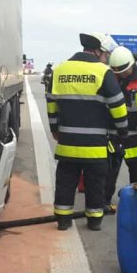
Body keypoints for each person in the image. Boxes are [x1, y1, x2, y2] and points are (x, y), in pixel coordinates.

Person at [46, 32, 127, 231]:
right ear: (98, 51)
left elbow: (51, 103)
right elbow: (118, 104)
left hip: (67, 144)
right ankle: (94, 220)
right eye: (104, 53)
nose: (105, 57)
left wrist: (55, 129)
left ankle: (64, 220)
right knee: (95, 184)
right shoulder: (103, 72)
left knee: (65, 182)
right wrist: (122, 130)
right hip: (95, 147)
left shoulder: (60, 69)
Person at [103, 46, 137, 212]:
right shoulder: (111, 78)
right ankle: (104, 202)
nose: (120, 75)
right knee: (108, 173)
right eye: (116, 72)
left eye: (123, 71)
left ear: (131, 64)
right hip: (114, 137)